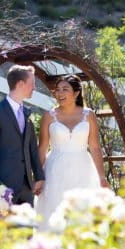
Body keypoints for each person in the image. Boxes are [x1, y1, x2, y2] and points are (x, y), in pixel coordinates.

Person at [35, 74, 109, 231]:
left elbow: (95, 146)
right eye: (58, 90)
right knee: (54, 210)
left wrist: (101, 177)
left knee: (83, 213)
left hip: (83, 169)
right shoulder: (49, 116)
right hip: (55, 170)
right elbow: (42, 148)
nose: (59, 93)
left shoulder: (88, 115)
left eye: (65, 89)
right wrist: (38, 177)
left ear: (76, 93)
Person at [0, 65, 45, 206]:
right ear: (20, 84)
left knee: (26, 227)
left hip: (27, 188)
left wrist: (39, 177)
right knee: (5, 228)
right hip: (3, 186)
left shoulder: (27, 113)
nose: (34, 88)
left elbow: (32, 149)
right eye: (32, 84)